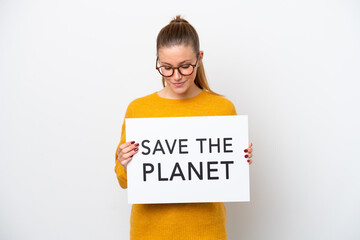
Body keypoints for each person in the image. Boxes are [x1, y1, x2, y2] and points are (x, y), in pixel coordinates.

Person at [114, 15, 254, 240]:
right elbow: (124, 181)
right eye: (166, 68)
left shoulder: (222, 108)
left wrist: (241, 159)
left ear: (199, 58)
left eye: (185, 67)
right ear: (158, 61)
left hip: (207, 231)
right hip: (149, 232)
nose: (176, 76)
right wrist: (123, 162)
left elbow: (228, 176)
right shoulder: (139, 109)